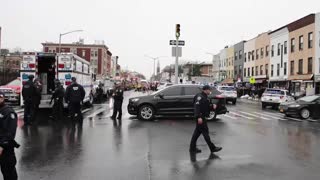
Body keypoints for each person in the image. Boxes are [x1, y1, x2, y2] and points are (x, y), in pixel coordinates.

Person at [189, 85, 222, 154]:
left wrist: (212, 106)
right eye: (209, 90)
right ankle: (212, 148)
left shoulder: (204, 96)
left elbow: (205, 106)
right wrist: (199, 117)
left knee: (196, 134)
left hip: (202, 117)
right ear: (206, 90)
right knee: (205, 133)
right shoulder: (200, 97)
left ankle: (192, 148)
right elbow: (197, 107)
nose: (210, 91)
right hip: (201, 118)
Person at [0, 92, 19, 180]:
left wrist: (2, 145)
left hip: (5, 148)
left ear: (3, 98)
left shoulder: (8, 112)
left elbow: (10, 132)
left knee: (8, 172)